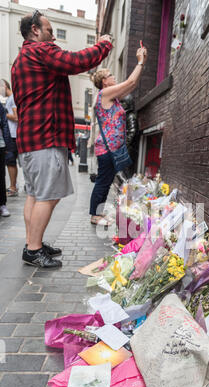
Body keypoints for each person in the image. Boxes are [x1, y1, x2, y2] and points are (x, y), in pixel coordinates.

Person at [11, 10, 112, 267]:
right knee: (48, 195)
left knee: (35, 195)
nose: (52, 35)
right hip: (45, 137)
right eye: (48, 29)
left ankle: (32, 242)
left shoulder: (20, 59)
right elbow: (76, 61)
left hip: (29, 140)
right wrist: (104, 44)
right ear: (35, 29)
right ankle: (33, 249)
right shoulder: (41, 51)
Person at [89, 45, 148, 226]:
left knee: (106, 181)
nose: (114, 77)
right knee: (103, 181)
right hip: (107, 149)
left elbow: (133, 84)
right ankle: (95, 215)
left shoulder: (112, 97)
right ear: (104, 81)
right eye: (111, 76)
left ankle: (98, 214)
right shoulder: (105, 94)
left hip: (113, 149)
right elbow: (130, 83)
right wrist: (139, 62)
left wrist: (142, 64)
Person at [2, 79, 19, 197]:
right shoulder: (10, 98)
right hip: (12, 134)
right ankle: (14, 186)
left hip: (13, 135)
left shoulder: (12, 98)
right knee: (10, 161)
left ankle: (13, 187)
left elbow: (17, 117)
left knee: (10, 161)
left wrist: (4, 114)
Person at [120, 94, 139, 178]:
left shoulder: (131, 116)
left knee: (128, 171)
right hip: (126, 148)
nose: (121, 105)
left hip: (129, 149)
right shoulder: (126, 116)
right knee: (124, 170)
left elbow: (132, 131)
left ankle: (128, 187)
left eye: (123, 103)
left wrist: (125, 144)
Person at [0, 103, 12, 217]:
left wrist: (7, 145)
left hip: (0, 145)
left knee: (1, 176)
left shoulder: (0, 107)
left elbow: (4, 125)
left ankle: (2, 204)